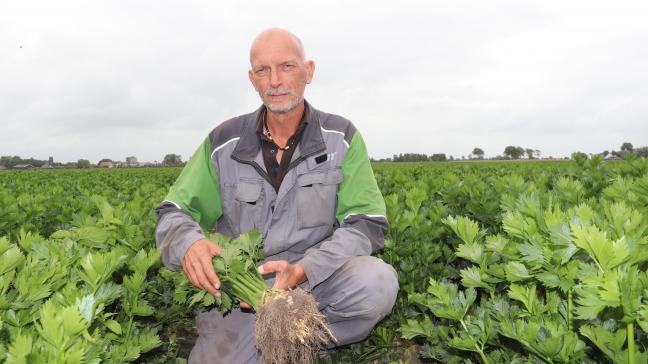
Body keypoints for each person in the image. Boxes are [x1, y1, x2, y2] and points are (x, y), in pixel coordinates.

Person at [155, 28, 398, 363]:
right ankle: (280, 342)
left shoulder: (340, 137)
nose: (275, 80)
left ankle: (297, 336)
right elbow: (174, 211)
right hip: (243, 296)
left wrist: (304, 269)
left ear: (308, 71)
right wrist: (189, 243)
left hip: (313, 284)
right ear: (251, 78)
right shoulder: (223, 142)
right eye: (262, 70)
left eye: (287, 66)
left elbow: (366, 223)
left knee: (376, 283)